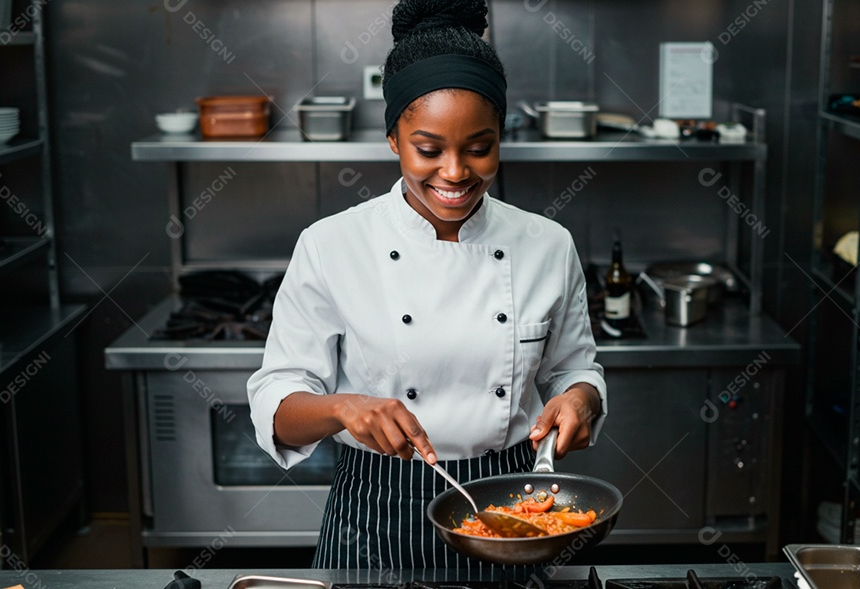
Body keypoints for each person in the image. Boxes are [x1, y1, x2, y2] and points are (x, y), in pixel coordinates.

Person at [247, 0, 607, 570]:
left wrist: (582, 398)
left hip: (513, 507)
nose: (456, 172)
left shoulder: (548, 244)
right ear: (394, 139)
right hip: (375, 511)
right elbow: (276, 401)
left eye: (479, 148)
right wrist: (343, 408)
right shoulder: (330, 244)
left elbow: (575, 370)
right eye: (429, 149)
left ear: (500, 137)